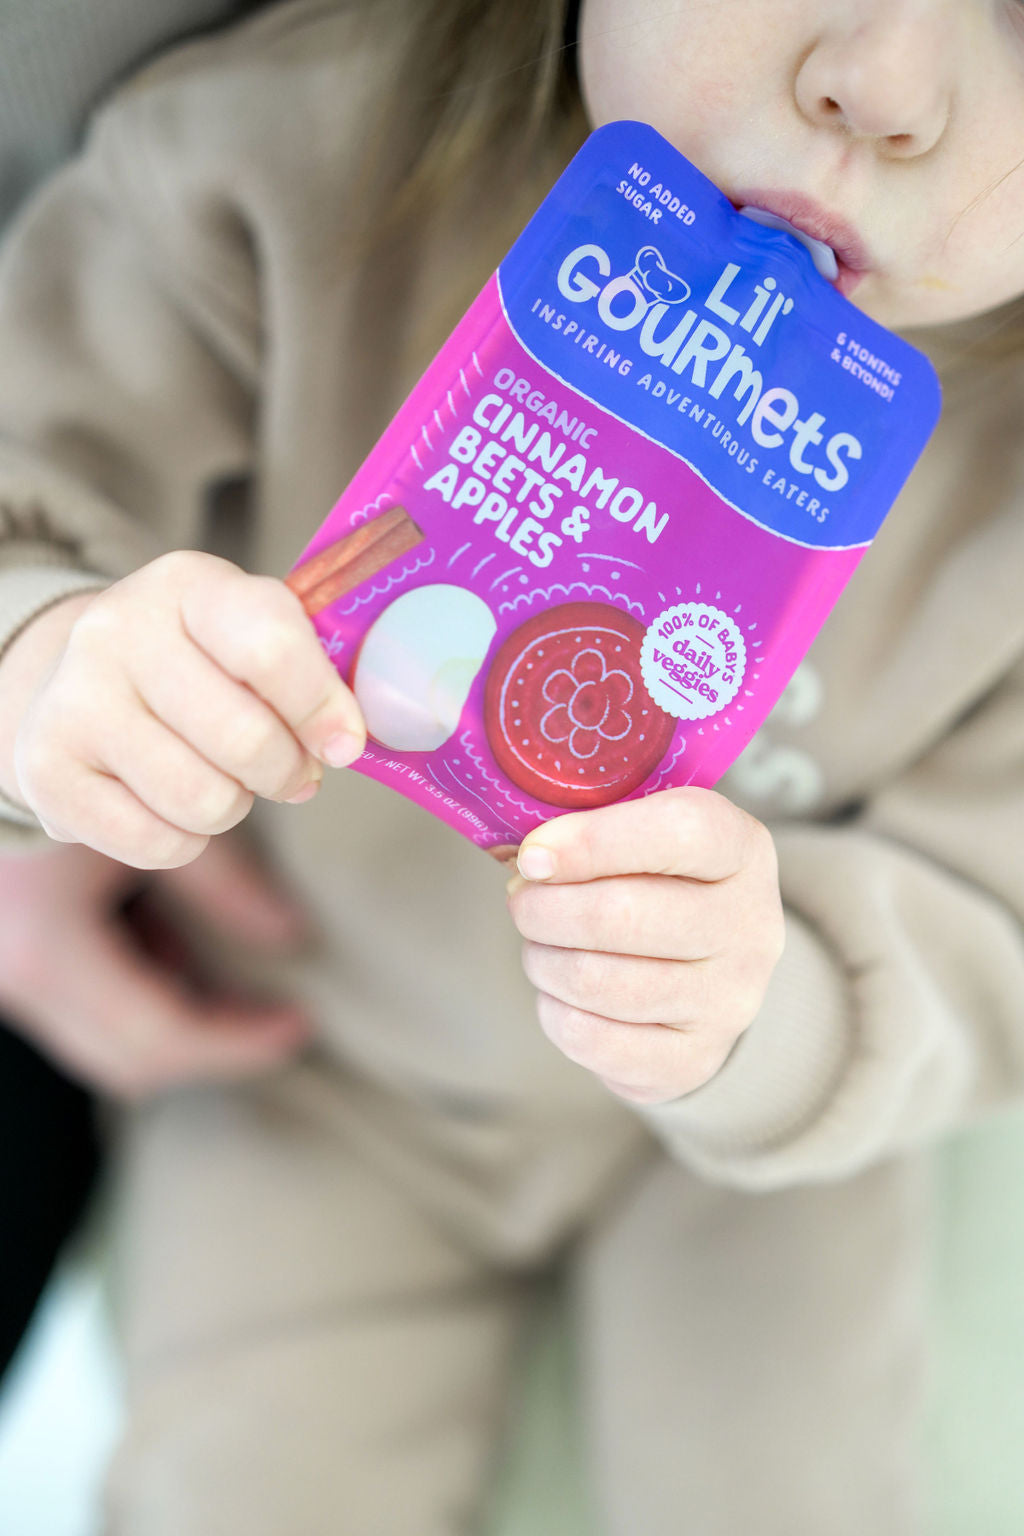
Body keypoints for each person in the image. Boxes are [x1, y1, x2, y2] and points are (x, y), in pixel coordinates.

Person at [0, 0, 1021, 1530]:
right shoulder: (280, 159)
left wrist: (769, 1013)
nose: (878, 89)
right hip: (306, 1047)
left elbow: (991, 915)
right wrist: (48, 673)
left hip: (752, 1154)